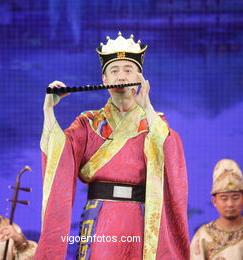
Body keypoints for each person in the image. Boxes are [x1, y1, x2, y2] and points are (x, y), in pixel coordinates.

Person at [35, 32, 189, 259]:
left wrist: (148, 107)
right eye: (114, 71)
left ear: (140, 77)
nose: (121, 76)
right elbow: (60, 157)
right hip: (100, 218)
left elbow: (172, 157)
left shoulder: (155, 123)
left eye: (128, 70)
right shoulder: (88, 123)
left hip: (141, 218)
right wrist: (49, 111)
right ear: (104, 79)